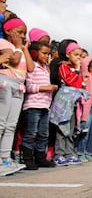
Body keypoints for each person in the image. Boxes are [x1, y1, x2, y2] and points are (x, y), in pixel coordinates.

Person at [0, 18, 34, 176]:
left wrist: (23, 48)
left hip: (18, 86)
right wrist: (19, 47)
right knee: (1, 123)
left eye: (25, 33)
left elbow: (30, 68)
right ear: (8, 31)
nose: (22, 36)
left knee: (11, 125)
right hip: (5, 83)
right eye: (19, 32)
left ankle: (5, 158)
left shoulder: (20, 48)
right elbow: (13, 61)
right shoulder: (4, 43)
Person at [21, 41, 57, 170]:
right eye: (44, 53)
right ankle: (28, 158)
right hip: (33, 105)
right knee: (31, 133)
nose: (46, 56)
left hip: (44, 106)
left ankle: (40, 157)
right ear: (35, 53)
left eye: (48, 54)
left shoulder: (46, 68)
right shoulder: (32, 67)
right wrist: (46, 88)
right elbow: (29, 87)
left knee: (43, 133)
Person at [51, 42, 86, 166]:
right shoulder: (63, 66)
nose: (78, 58)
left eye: (80, 56)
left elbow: (80, 84)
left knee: (70, 129)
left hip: (73, 103)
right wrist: (76, 69)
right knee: (62, 128)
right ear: (68, 54)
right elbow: (70, 81)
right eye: (76, 55)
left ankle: (69, 152)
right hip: (64, 103)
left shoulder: (78, 69)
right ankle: (59, 154)